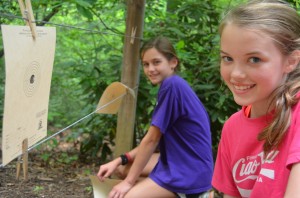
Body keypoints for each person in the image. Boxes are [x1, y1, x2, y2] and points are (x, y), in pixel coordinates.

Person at [97, 37, 214, 198]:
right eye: (146, 64)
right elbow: (155, 140)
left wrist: (129, 183)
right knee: (122, 169)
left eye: (156, 62)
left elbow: (151, 140)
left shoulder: (172, 86)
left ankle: (194, 195)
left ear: (173, 62)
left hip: (189, 172)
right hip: (181, 161)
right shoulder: (174, 84)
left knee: (126, 196)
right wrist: (120, 160)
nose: (150, 69)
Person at [212, 0, 300, 197]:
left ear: (291, 61)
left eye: (254, 59)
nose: (236, 74)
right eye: (227, 58)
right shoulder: (232, 128)